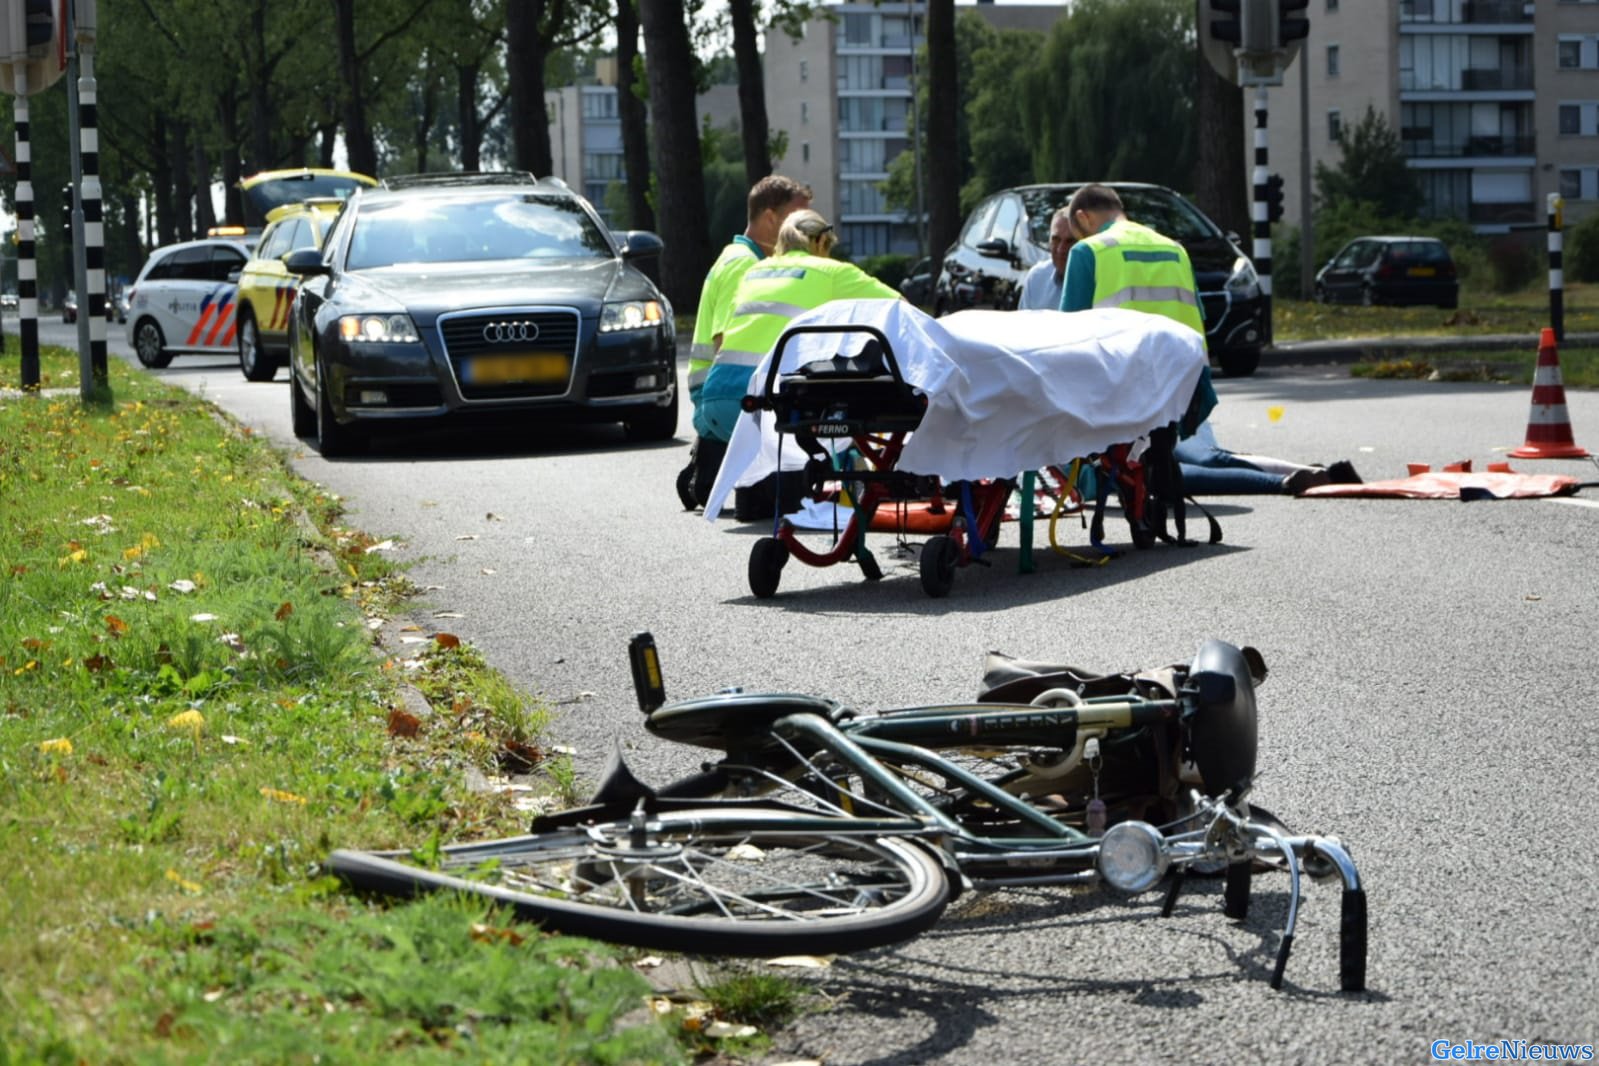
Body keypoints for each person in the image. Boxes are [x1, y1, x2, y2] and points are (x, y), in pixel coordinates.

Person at [700, 209, 902, 519]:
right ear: (820, 241)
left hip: (718, 403)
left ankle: (754, 492)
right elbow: (900, 308)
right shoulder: (831, 272)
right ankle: (844, 489)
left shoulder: (753, 273)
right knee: (844, 410)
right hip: (774, 405)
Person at [678, 175, 813, 510]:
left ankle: (711, 460)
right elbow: (726, 343)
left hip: (717, 390)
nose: (805, 229)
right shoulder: (744, 265)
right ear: (770, 218)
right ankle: (719, 460)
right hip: (725, 391)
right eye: (798, 219)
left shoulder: (741, 258)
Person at [1018, 207, 1074, 311]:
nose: (1061, 249)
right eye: (1056, 240)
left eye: (1070, 241)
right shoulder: (1036, 278)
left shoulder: (1098, 280)